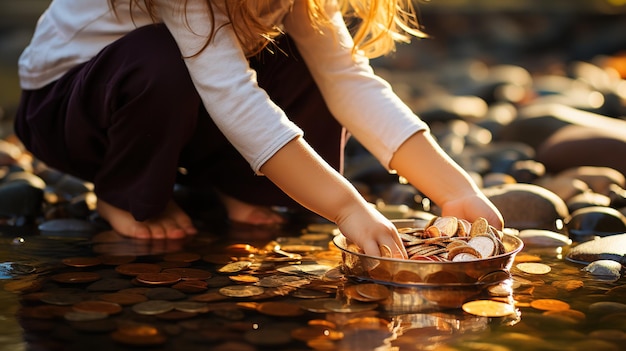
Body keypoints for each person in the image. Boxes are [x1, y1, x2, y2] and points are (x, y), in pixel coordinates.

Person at [15, 0, 503, 259]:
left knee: (304, 60)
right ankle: (127, 191)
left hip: (186, 96)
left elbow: (349, 82)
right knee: (160, 60)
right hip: (74, 111)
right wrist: (348, 208)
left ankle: (235, 181)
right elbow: (232, 95)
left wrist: (455, 189)